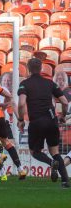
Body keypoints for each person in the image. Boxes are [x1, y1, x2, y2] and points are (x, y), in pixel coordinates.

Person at [17, 58, 70, 188]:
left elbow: (22, 103)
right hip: (52, 121)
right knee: (55, 152)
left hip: (37, 122)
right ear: (41, 68)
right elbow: (64, 102)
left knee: (35, 151)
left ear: (28, 69)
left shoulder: (25, 84)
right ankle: (65, 182)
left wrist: (21, 120)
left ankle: (51, 163)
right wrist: (62, 116)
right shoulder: (50, 83)